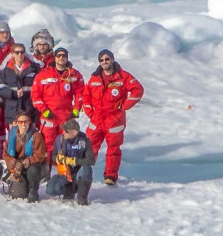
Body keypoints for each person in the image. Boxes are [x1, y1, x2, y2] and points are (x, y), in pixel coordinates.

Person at [84, 49, 145, 186]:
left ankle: (110, 176)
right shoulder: (94, 78)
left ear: (112, 59)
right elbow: (86, 96)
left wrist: (124, 106)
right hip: (97, 118)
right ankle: (84, 170)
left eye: (107, 59)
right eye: (102, 60)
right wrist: (90, 112)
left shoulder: (123, 76)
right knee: (89, 146)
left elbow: (138, 90)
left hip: (114, 119)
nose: (104, 62)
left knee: (113, 149)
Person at [33, 48, 85, 149]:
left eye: (64, 56)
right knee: (47, 144)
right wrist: (44, 110)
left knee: (66, 143)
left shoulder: (74, 75)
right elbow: (35, 95)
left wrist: (76, 109)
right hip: (49, 116)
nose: (61, 58)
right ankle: (49, 164)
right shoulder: (44, 75)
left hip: (66, 116)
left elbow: (80, 93)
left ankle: (63, 164)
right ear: (55, 58)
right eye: (59, 56)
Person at [2, 113, 48, 202]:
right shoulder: (12, 135)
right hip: (18, 166)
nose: (23, 124)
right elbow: (5, 154)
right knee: (18, 194)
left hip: (34, 165)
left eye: (25, 122)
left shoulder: (36, 135)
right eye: (20, 122)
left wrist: (29, 161)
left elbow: (41, 155)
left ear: (29, 122)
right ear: (17, 123)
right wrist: (12, 161)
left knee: (33, 170)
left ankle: (33, 191)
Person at [48, 119, 94, 205]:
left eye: (66, 131)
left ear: (74, 132)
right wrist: (57, 158)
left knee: (87, 170)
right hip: (66, 172)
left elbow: (91, 160)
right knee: (51, 190)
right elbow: (53, 155)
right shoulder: (59, 140)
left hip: (79, 171)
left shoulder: (84, 140)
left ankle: (82, 197)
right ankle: (69, 192)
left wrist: (74, 161)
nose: (63, 132)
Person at [0, 42, 39, 131]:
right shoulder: (6, 70)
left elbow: (38, 88)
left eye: (22, 52)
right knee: (13, 138)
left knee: (28, 138)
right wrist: (13, 93)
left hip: (28, 108)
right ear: (12, 54)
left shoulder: (33, 68)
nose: (20, 55)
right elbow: (0, 88)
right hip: (12, 109)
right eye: (17, 52)